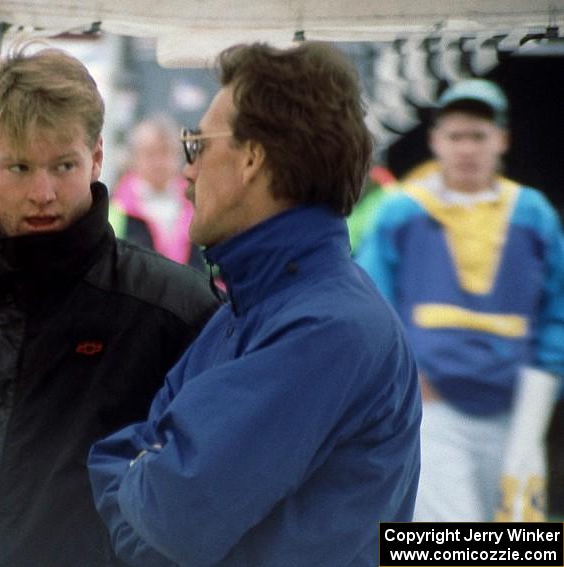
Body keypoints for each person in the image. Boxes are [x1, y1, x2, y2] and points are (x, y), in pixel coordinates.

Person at [0, 43, 220, 567]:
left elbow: (201, 496)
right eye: (20, 167)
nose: (43, 192)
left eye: (63, 165)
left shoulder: (178, 314)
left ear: (96, 157)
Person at [88, 41, 421, 567]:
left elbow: (170, 513)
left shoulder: (324, 329)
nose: (186, 172)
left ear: (251, 158)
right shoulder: (253, 308)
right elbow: (129, 470)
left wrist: (140, 474)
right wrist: (141, 475)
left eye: (196, 145)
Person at [356, 79, 564, 522]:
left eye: (478, 136)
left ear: (501, 140)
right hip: (432, 410)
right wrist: (409, 380)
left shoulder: (534, 215)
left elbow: (555, 315)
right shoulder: (402, 211)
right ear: (435, 142)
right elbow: (374, 305)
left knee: (521, 540)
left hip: (516, 411)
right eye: (455, 136)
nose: (467, 148)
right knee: (446, 540)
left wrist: (536, 402)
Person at [112, 115, 205, 270]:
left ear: (179, 156)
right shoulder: (115, 207)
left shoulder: (198, 203)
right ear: (134, 157)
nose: (158, 162)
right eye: (150, 153)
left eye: (166, 152)